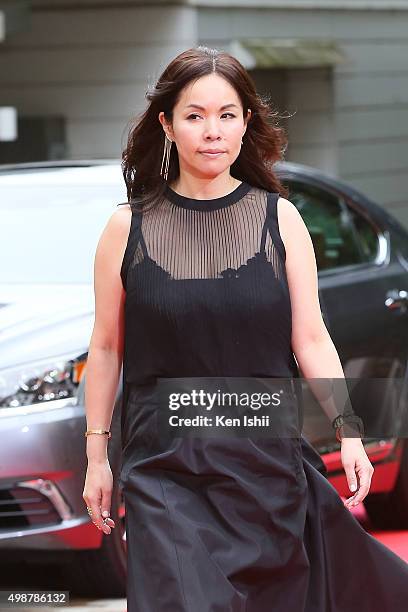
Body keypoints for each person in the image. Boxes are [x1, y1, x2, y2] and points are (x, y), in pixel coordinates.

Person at [82, 46, 408, 611]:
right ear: (167, 124)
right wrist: (96, 457)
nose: (212, 131)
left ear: (246, 123)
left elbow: (310, 337)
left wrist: (348, 428)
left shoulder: (280, 219)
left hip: (263, 463)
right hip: (165, 468)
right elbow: (107, 348)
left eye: (227, 115)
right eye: (195, 115)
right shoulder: (125, 228)